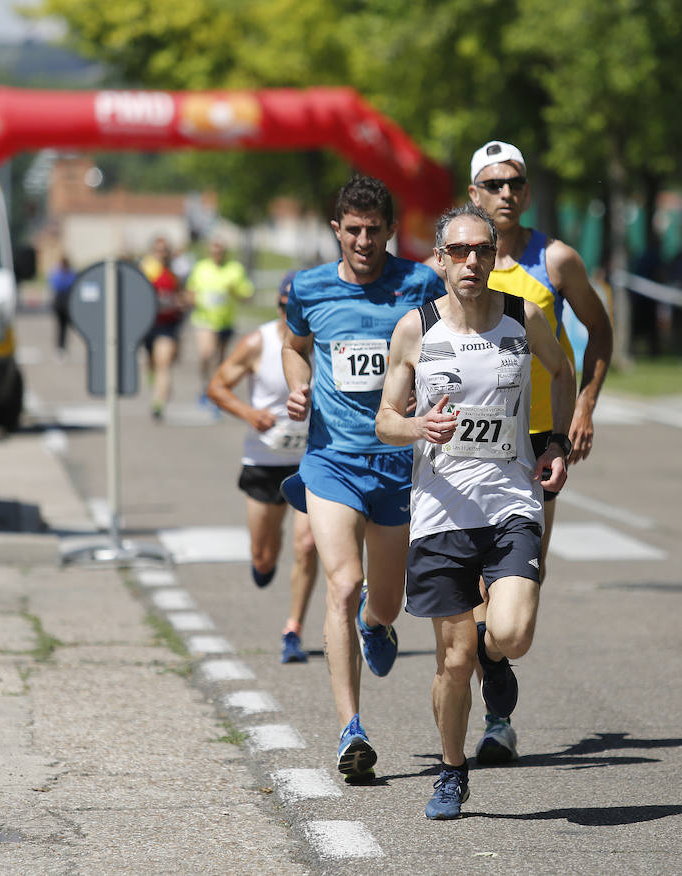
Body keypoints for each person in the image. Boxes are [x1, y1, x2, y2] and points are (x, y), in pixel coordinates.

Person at [376, 203, 575, 819]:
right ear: (439, 260)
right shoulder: (416, 328)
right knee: (452, 660)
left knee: (509, 634)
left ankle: (497, 654)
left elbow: (562, 371)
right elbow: (384, 419)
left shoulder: (524, 317)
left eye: (480, 251)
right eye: (457, 251)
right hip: (440, 512)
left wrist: (556, 441)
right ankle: (451, 770)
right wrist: (415, 425)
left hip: (511, 499)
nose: (469, 262)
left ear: (493, 258)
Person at [282, 174, 446, 780]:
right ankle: (351, 729)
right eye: (353, 230)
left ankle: (378, 625)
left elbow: (446, 347)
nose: (364, 241)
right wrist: (298, 383)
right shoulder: (309, 287)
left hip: (399, 465)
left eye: (374, 230)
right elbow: (294, 344)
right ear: (337, 230)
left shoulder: (419, 284)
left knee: (385, 599)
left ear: (390, 231)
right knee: (343, 585)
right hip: (332, 461)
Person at [463, 140, 613, 765]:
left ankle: (494, 666)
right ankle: (497, 715)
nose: (506, 193)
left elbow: (599, 331)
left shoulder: (556, 259)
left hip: (535, 441)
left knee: (525, 572)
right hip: (468, 441)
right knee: (473, 575)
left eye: (516, 183)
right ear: (474, 192)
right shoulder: (450, 259)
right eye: (494, 184)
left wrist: (583, 407)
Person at [207, 272, 318, 663]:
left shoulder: (326, 341)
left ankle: (293, 629)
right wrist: (249, 412)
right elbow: (217, 386)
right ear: (278, 305)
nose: (291, 315)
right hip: (265, 461)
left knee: (307, 545)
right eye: (285, 307)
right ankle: (265, 561)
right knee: (263, 557)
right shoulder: (259, 342)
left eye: (299, 308)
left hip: (312, 463)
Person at [186, 236, 255, 411]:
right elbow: (190, 290)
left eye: (220, 250)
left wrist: (235, 291)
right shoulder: (201, 268)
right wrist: (191, 298)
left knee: (220, 359)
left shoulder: (234, 269)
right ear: (209, 251)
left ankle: (214, 391)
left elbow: (247, 295)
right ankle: (205, 386)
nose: (217, 253)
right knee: (206, 354)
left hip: (225, 321)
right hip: (204, 320)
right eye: (214, 250)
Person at [141, 236, 187, 421]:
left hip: (168, 325)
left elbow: (183, 295)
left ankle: (158, 403)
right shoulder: (146, 270)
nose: (162, 253)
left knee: (163, 362)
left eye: (165, 250)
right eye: (158, 250)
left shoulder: (175, 273)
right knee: (151, 363)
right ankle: (158, 385)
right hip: (147, 324)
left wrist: (181, 301)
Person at [48, 255, 76, 360]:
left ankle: (63, 347)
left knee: (64, 328)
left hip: (66, 303)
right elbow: (55, 284)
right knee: (60, 327)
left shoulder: (70, 274)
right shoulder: (58, 274)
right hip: (60, 303)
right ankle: (60, 347)